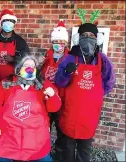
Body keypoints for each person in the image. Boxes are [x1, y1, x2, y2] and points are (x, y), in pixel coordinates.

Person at [55, 10, 115, 162]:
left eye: (92, 36)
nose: (88, 39)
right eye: (84, 36)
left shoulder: (103, 61)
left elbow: (109, 82)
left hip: (90, 114)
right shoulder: (69, 58)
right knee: (67, 149)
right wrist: (66, 73)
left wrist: (94, 96)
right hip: (70, 111)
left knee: (84, 150)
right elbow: (59, 82)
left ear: (97, 39)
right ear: (78, 38)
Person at [0, 54, 62, 162]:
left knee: (44, 158)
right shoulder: (7, 83)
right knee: (0, 156)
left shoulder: (43, 84)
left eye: (32, 66)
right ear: (19, 68)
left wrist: (52, 97)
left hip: (35, 133)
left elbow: (54, 108)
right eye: (26, 65)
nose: (29, 68)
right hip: (9, 132)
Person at [40, 19, 69, 159]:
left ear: (66, 43)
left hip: (62, 99)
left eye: (61, 42)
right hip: (46, 98)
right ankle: (43, 151)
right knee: (44, 127)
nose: (58, 45)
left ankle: (59, 154)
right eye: (56, 42)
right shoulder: (46, 56)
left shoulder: (70, 58)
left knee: (61, 128)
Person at [0, 9, 30, 81]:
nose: (8, 23)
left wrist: (14, 59)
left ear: (14, 24)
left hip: (13, 80)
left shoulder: (21, 42)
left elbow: (27, 61)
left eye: (11, 21)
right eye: (5, 21)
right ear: (1, 24)